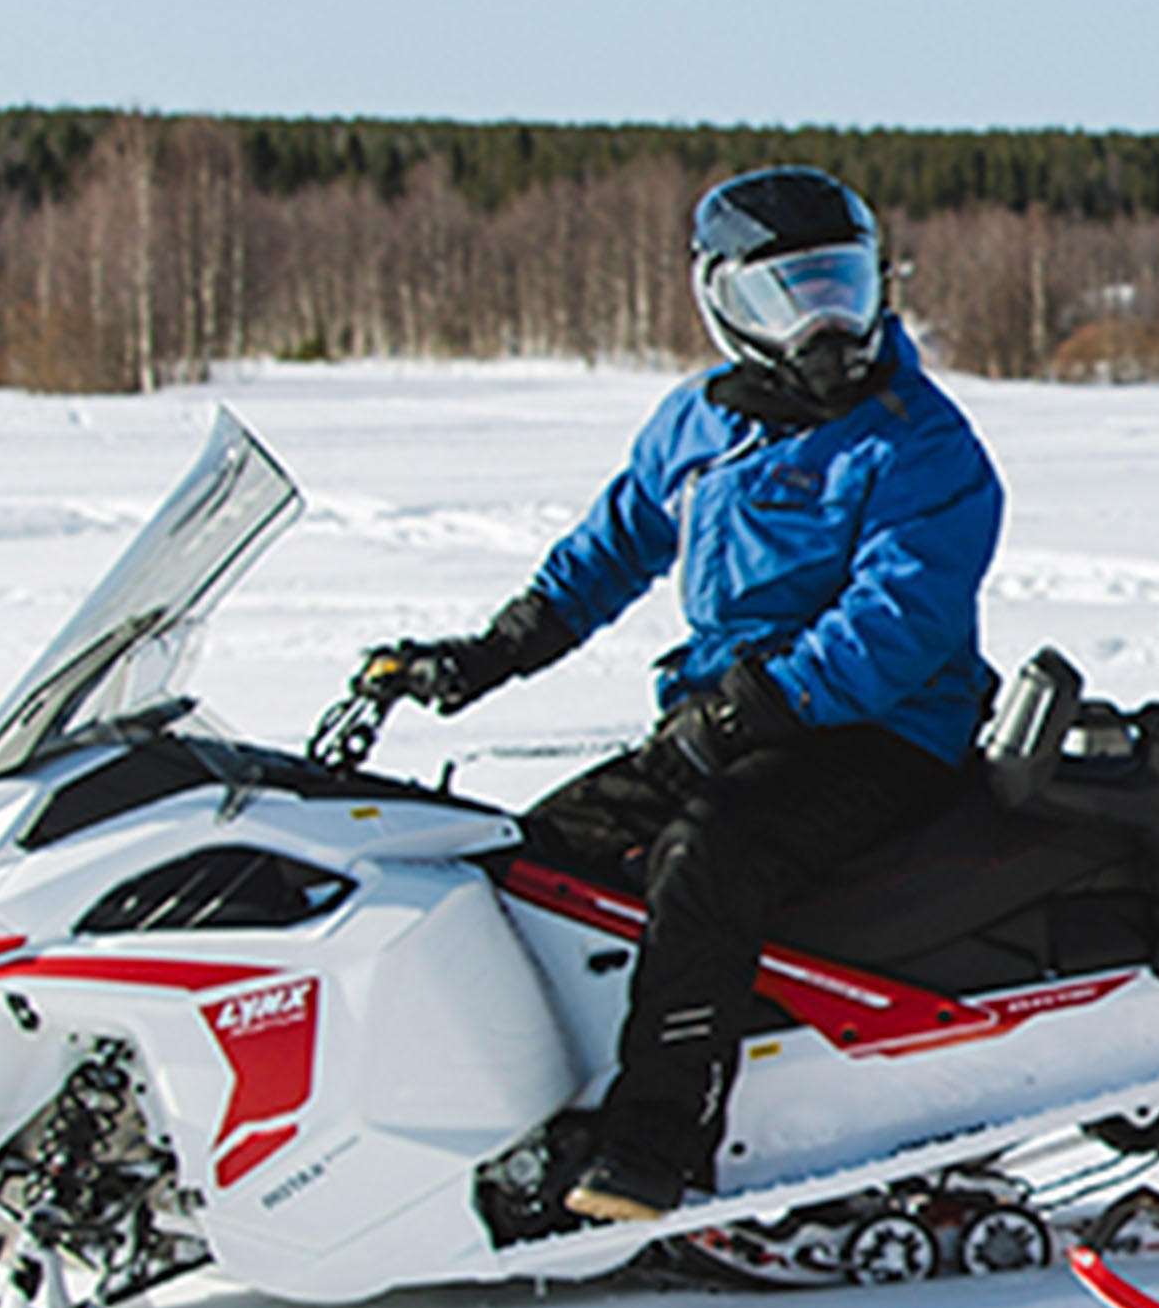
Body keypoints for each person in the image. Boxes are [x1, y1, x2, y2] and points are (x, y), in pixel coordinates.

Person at [362, 166, 1006, 1223]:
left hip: (882, 732)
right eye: (787, 295)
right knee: (533, 860)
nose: (824, 324)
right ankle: (519, 1113)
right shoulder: (699, 426)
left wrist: (738, 717)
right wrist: (486, 656)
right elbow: (605, 553)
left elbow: (895, 628)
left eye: (842, 286)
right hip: (732, 721)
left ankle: (655, 1149)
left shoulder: (919, 441)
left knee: (706, 854)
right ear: (724, 305)